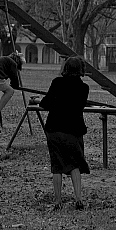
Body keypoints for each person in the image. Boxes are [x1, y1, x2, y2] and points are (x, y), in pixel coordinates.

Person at [35, 56, 90, 211]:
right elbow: (79, 107)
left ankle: (58, 201)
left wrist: (42, 101)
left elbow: (46, 103)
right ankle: (78, 199)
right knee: (75, 165)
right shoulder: (84, 88)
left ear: (65, 68)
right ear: (81, 70)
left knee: (57, 166)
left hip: (55, 128)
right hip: (73, 130)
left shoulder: (57, 83)